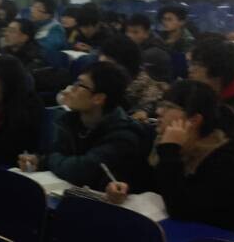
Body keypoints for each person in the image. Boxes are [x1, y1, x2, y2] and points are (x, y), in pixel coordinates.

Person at [106, 80, 234, 234]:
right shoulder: (160, 139)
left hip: (211, 239)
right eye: (161, 105)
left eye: (168, 107)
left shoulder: (224, 158)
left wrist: (170, 151)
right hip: (167, 230)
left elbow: (181, 209)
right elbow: (143, 180)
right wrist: (122, 187)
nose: (159, 111)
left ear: (194, 120)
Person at [18, 62, 148, 190]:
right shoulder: (71, 119)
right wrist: (38, 161)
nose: (70, 89)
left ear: (98, 98)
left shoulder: (124, 134)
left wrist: (48, 160)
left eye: (79, 85)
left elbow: (80, 171)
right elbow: (59, 154)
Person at [99, 35, 168, 119]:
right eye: (99, 65)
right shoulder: (98, 83)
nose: (100, 70)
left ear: (125, 68)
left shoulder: (152, 95)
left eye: (107, 66)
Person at [125, 13, 173, 82]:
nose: (129, 35)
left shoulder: (152, 53)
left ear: (147, 33)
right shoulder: (140, 46)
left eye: (135, 32)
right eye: (127, 31)